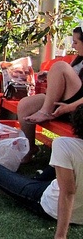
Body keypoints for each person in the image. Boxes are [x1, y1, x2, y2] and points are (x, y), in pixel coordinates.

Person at [0, 104, 83, 239]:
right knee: (59, 166)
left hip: (49, 204)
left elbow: (68, 193)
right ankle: (36, 179)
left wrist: (61, 236)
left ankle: (32, 182)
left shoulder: (64, 144)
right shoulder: (68, 147)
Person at [17, 26, 83, 162]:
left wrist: (69, 108)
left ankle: (45, 111)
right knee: (25, 105)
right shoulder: (80, 59)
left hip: (76, 109)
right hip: (62, 103)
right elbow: (69, 78)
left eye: (76, 42)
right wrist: (50, 75)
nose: (73, 45)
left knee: (60, 66)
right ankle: (29, 149)